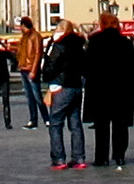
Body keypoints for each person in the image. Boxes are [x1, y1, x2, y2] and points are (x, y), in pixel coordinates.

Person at [81, 13, 134, 171]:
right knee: (121, 124)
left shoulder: (95, 42)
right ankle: (119, 155)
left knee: (101, 125)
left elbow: (87, 65)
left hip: (100, 89)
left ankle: (101, 157)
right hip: (122, 89)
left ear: (102, 24)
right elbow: (133, 67)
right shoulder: (125, 42)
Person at [39, 20, 87, 171]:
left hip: (61, 86)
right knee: (75, 123)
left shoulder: (58, 46)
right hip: (76, 86)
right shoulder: (80, 45)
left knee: (55, 123)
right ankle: (79, 158)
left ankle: (59, 159)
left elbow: (51, 66)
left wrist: (45, 76)